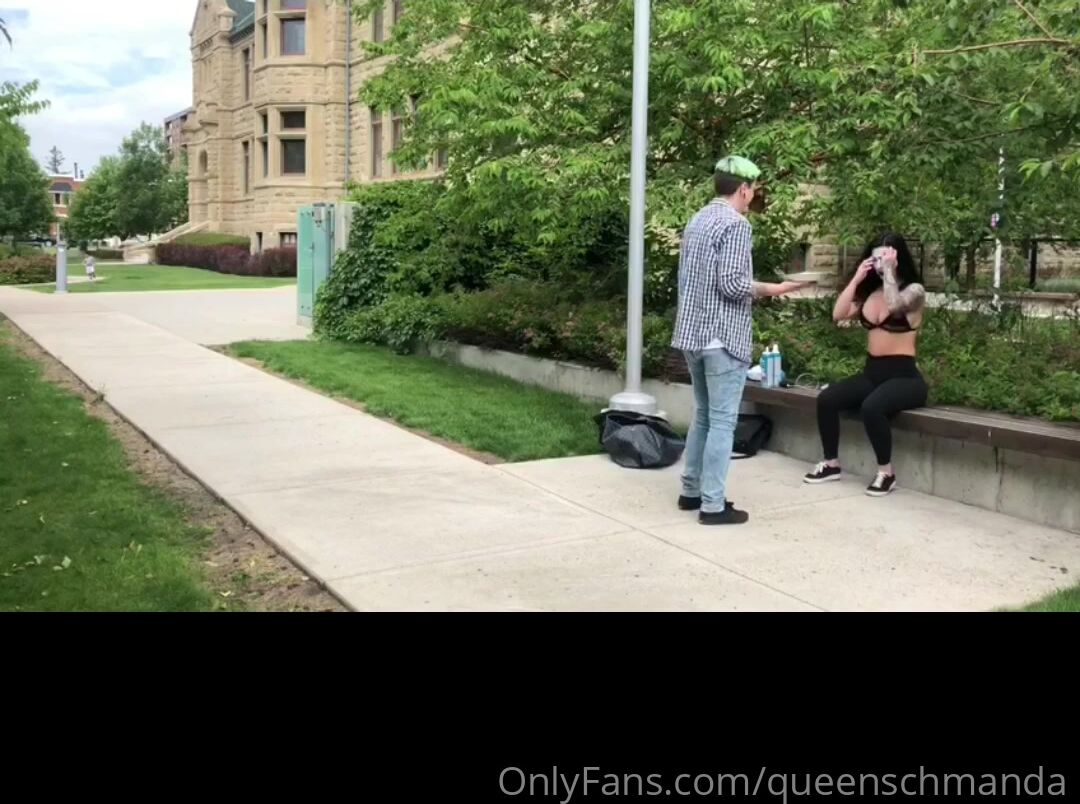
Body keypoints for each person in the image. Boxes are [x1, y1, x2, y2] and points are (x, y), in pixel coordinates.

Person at [671, 156, 806, 526]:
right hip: (722, 338)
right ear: (743, 189)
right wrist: (775, 288)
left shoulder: (698, 219)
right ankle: (712, 506)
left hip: (692, 335)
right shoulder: (736, 224)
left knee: (703, 415)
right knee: (721, 421)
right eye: (753, 190)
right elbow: (732, 284)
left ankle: (690, 491)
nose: (753, 197)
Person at [803, 232, 928, 496]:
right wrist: (857, 279)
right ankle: (831, 463)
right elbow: (838, 314)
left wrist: (890, 272)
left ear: (897, 257)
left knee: (872, 407)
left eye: (885, 256)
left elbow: (895, 306)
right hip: (873, 374)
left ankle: (886, 473)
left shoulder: (914, 290)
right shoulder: (870, 294)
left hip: (905, 377)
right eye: (876, 257)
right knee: (827, 399)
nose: (880, 263)